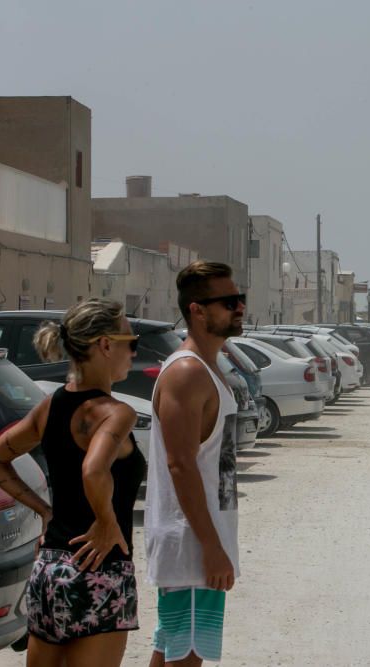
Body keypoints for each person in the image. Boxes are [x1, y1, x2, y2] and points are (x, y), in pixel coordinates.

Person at [0, 298, 145, 666]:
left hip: (50, 569)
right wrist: (106, 520)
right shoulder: (116, 413)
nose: (135, 352)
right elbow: (93, 469)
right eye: (130, 342)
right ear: (105, 345)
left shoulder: (50, 406)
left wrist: (45, 512)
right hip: (100, 569)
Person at [146, 261, 244, 666]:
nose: (238, 308)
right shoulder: (187, 373)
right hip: (191, 546)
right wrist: (211, 548)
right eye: (227, 302)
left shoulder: (209, 368)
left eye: (240, 300)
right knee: (186, 658)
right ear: (196, 310)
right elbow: (180, 465)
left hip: (199, 542)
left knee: (171, 652)